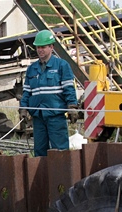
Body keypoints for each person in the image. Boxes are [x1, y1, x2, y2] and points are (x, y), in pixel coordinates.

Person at [20, 29, 79, 157]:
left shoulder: (62, 66)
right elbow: (27, 92)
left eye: (43, 47)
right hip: (38, 117)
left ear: (51, 47)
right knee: (40, 152)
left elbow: (69, 89)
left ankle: (61, 176)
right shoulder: (32, 69)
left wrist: (72, 106)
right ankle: (42, 176)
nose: (40, 50)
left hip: (55, 116)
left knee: (60, 152)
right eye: (38, 47)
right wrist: (23, 108)